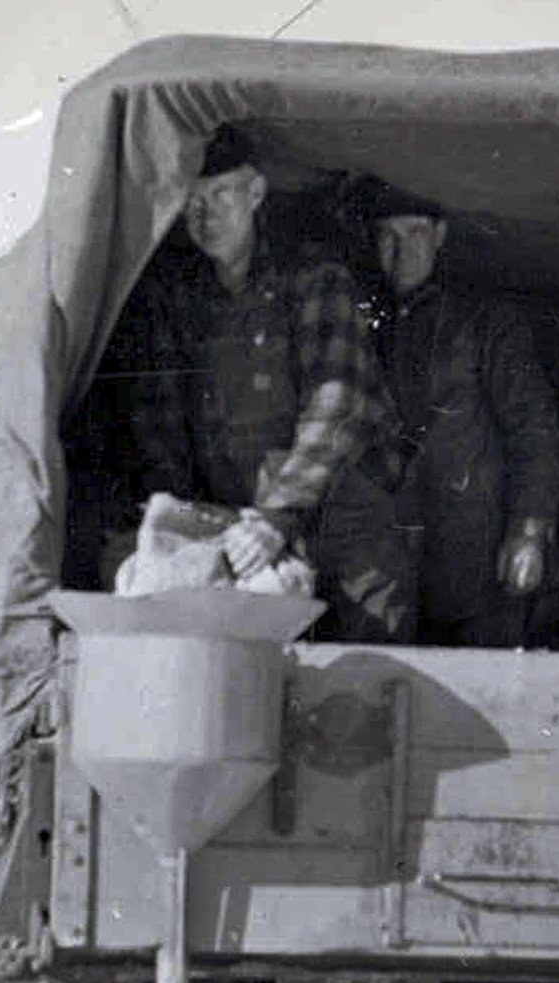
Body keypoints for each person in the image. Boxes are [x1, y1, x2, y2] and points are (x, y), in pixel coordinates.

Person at [128, 128, 416, 642]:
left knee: (368, 679)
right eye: (193, 201)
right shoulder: (180, 298)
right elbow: (162, 417)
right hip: (241, 523)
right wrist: (182, 518)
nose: (207, 215)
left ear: (256, 194)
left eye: (221, 195)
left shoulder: (312, 277)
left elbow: (338, 403)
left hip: (341, 520)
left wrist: (276, 516)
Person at [365, 180, 559, 647]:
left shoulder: (486, 323)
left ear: (439, 236)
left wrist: (530, 530)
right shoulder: (364, 323)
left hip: (477, 556)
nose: (401, 252)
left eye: (415, 234)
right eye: (387, 238)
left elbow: (535, 430)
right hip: (390, 560)